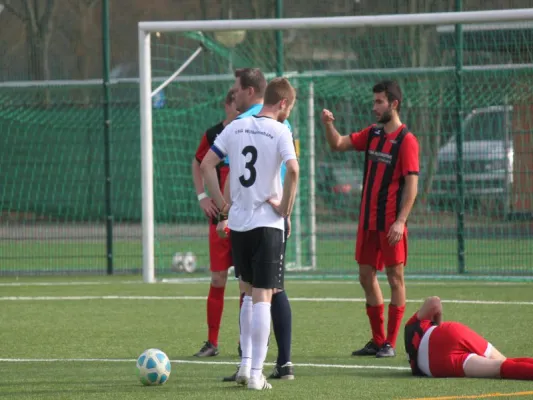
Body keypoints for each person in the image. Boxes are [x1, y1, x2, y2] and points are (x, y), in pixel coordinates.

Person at [200, 77, 299, 390]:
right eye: (289, 108)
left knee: (245, 293)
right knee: (263, 298)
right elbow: (293, 170)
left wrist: (221, 205)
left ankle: (245, 367)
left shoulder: (236, 126)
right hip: (267, 224)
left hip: (239, 224)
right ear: (283, 103)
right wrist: (285, 208)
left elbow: (207, 164)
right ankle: (257, 374)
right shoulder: (280, 130)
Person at [321, 80, 419, 358]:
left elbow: (412, 186)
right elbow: (338, 143)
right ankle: (377, 340)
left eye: (379, 102)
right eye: (374, 101)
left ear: (394, 104)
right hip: (367, 222)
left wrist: (401, 221)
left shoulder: (407, 141)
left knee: (395, 277)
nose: (374, 106)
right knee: (365, 276)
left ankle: (390, 342)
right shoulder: (373, 133)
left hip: (390, 224)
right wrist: (328, 124)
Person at [191, 89, 239, 357]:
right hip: (219, 218)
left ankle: (247, 344)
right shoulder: (213, 135)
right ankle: (212, 342)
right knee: (218, 278)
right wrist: (202, 197)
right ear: (227, 105)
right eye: (236, 106)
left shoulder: (249, 132)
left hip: (244, 217)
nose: (240, 111)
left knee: (247, 281)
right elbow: (198, 163)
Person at [405, 296, 533, 379]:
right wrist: (439, 326)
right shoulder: (409, 326)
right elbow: (434, 302)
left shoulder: (415, 365)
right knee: (504, 360)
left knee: (498, 367)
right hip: (448, 333)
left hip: (437, 364)